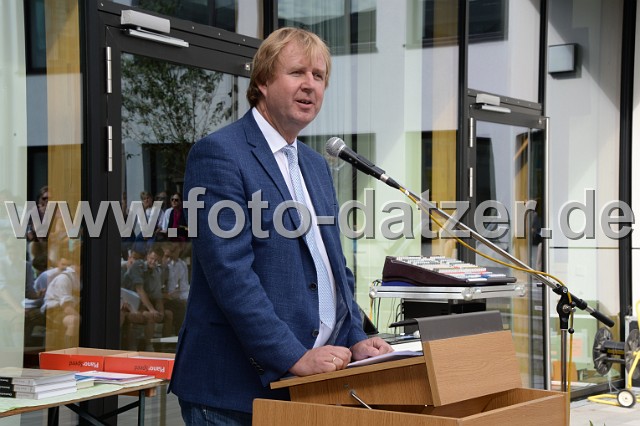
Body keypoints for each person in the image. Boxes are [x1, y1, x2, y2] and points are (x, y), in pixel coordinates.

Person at [169, 27, 392, 425]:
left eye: (319, 76)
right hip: (233, 394)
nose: (310, 85)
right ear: (262, 81)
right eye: (297, 72)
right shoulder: (219, 154)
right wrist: (293, 356)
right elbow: (230, 274)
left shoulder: (315, 165)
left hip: (307, 389)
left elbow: (333, 268)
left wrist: (356, 338)